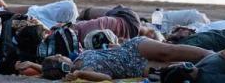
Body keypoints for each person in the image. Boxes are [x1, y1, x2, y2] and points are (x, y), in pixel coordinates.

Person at [38, 36, 210, 80]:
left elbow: (45, 69)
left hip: (130, 48)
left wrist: (35, 65)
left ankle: (209, 54)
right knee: (177, 67)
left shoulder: (78, 57)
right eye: (59, 57)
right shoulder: (84, 71)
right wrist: (80, 75)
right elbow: (106, 77)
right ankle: (214, 63)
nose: (61, 54)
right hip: (134, 68)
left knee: (169, 50)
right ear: (62, 67)